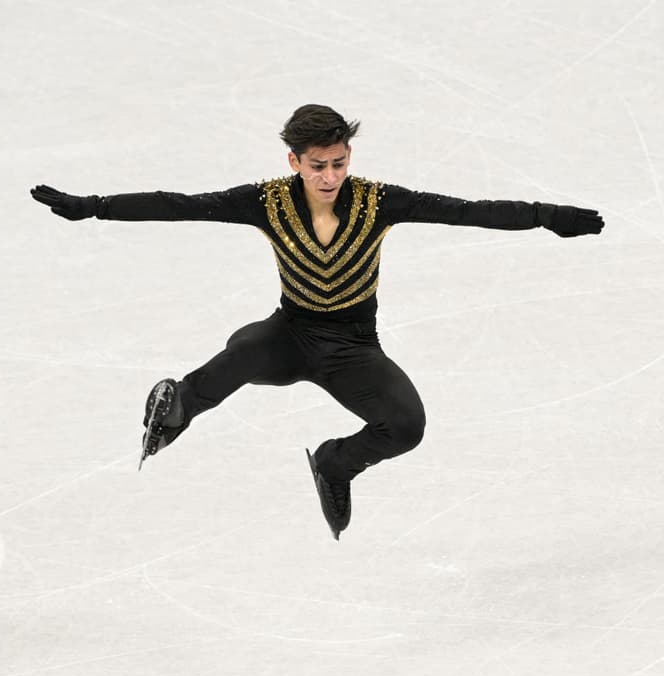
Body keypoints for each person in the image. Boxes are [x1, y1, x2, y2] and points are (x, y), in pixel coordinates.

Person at [30, 104, 604, 539]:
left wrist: (545, 215)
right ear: (294, 161)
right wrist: (94, 207)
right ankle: (178, 408)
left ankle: (335, 464)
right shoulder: (265, 201)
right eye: (317, 165)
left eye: (339, 163)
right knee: (243, 351)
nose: (329, 175)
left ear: (348, 156)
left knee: (406, 428)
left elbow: (465, 212)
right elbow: (179, 204)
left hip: (352, 348)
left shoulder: (379, 201)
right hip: (289, 336)